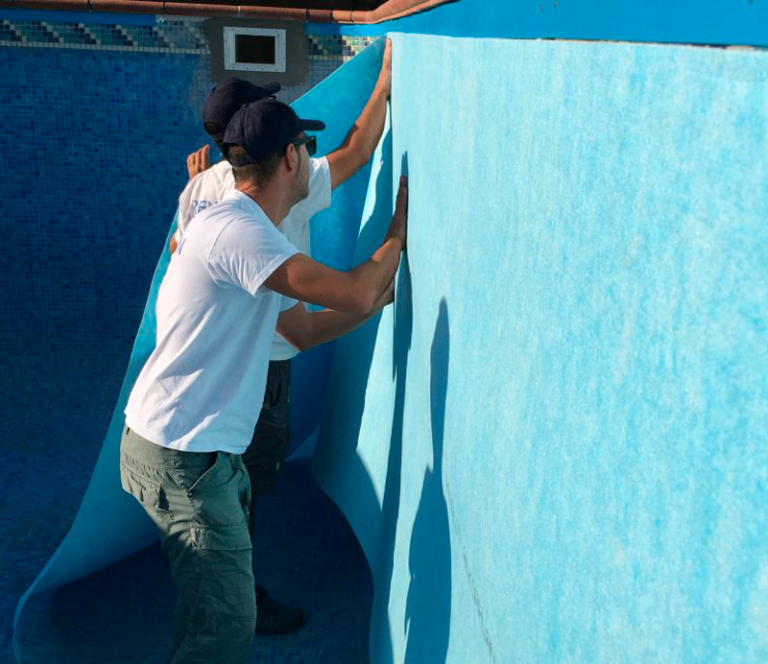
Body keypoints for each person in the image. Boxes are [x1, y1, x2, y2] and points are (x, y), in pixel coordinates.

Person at [120, 98, 407, 664]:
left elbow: (302, 330)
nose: (312, 157)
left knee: (206, 612)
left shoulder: (243, 230)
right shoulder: (242, 235)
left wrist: (379, 299)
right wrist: (396, 234)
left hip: (183, 448)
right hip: (183, 456)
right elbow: (353, 291)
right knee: (228, 626)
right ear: (290, 160)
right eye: (307, 146)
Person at [169, 39, 393, 634]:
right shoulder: (279, 189)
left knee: (228, 488)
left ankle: (223, 583)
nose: (303, 152)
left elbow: (178, 251)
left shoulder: (203, 192)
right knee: (241, 490)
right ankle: (238, 598)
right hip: (260, 371)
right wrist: (385, 80)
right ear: (280, 155)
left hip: (217, 373)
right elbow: (358, 150)